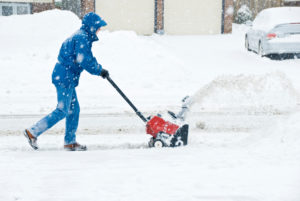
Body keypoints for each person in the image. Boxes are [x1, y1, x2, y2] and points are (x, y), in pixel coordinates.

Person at [23, 12, 109, 151]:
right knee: (63, 110)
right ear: (92, 26)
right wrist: (99, 70)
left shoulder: (82, 35)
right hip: (65, 77)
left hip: (65, 75)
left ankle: (70, 141)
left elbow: (85, 58)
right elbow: (84, 59)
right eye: (98, 26)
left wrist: (99, 69)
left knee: (73, 110)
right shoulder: (81, 38)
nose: (99, 30)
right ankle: (32, 131)